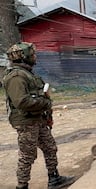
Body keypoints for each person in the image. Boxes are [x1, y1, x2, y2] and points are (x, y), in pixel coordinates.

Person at [2, 42, 75, 189]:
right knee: (27, 155)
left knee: (50, 147)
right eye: (32, 55)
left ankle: (54, 178)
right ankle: (22, 186)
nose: (35, 57)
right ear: (23, 57)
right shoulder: (16, 77)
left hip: (37, 119)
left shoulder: (27, 73)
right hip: (26, 122)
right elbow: (22, 102)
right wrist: (44, 102)